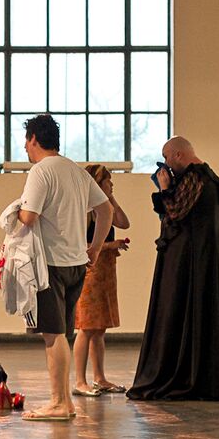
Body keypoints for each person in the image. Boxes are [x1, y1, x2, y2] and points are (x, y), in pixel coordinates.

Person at [127, 136, 219, 401]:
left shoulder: (196, 177)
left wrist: (164, 188)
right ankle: (193, 375)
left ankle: (184, 377)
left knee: (182, 310)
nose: (165, 163)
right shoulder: (203, 177)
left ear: (178, 155)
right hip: (198, 258)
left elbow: (176, 211)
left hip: (191, 262)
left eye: (166, 157)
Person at [17, 115, 114, 421]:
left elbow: (29, 217)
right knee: (63, 334)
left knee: (52, 334)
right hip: (76, 264)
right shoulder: (75, 170)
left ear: (34, 139)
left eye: (26, 141)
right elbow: (106, 210)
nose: (25, 147)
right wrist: (94, 248)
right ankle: (64, 402)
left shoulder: (41, 171)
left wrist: (15, 212)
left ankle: (60, 402)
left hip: (50, 264)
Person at [72, 164, 131, 397]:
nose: (112, 184)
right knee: (86, 327)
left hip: (106, 270)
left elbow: (124, 222)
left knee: (99, 328)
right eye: (108, 181)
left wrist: (111, 198)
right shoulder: (83, 211)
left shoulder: (103, 209)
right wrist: (110, 245)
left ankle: (100, 378)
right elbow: (81, 245)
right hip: (90, 272)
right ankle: (80, 380)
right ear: (97, 184)